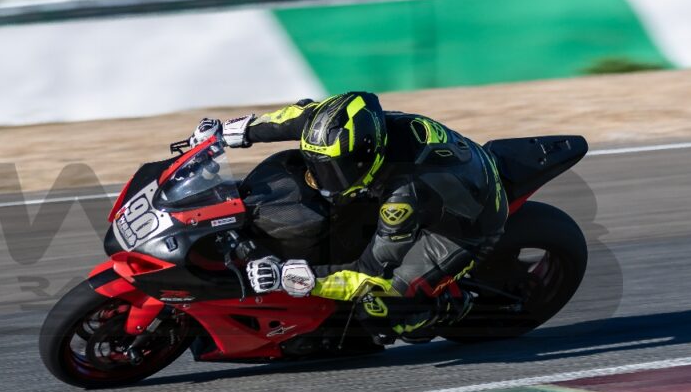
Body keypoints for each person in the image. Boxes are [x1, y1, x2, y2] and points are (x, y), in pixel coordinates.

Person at [198, 91, 508, 341]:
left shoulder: (401, 199)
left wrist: (291, 277)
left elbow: (371, 271)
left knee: (381, 307)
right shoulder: (343, 125)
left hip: (465, 226)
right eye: (318, 164)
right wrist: (229, 132)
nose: (320, 177)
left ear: (364, 158)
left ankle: (444, 307)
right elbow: (292, 117)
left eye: (333, 170)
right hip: (448, 175)